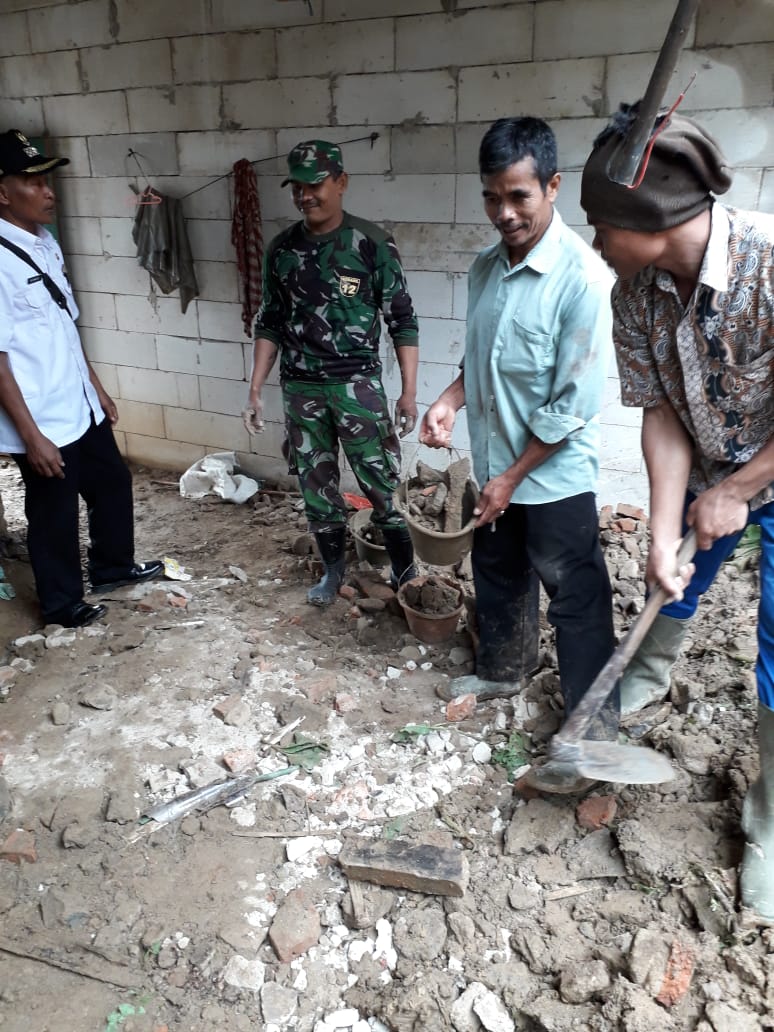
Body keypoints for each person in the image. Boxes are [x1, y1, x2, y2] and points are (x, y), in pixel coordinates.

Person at [580, 103, 774, 918]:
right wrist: (663, 533)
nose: (593, 242)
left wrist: (736, 491)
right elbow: (661, 414)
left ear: (649, 216)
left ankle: (770, 825)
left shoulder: (770, 264)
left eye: (599, 223)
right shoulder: (636, 292)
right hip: (712, 465)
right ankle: (635, 687)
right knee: (673, 579)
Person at [419, 117, 618, 778]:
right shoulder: (485, 269)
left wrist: (511, 477)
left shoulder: (582, 280)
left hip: (553, 474)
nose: (503, 213)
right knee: (499, 570)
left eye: (518, 196)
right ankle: (504, 670)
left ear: (553, 187)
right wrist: (449, 402)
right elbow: (481, 360)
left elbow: (570, 406)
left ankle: (591, 722)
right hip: (498, 460)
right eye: (491, 197)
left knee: (574, 594)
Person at [243, 140, 420, 605]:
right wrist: (256, 387)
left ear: (340, 183)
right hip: (302, 388)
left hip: (357, 387)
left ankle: (405, 572)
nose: (305, 196)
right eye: (297, 187)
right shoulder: (282, 249)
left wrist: (408, 393)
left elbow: (402, 319)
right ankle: (332, 571)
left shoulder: (372, 244)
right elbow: (270, 322)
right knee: (317, 488)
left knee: (380, 482)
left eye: (315, 184)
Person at [0, 130, 162, 628]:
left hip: (77, 402)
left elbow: (64, 324)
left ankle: (113, 568)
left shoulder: (43, 244)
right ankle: (61, 603)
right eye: (33, 181)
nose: (49, 192)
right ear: (2, 192)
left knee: (112, 481)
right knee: (54, 510)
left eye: (48, 180)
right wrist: (30, 438)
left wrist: (95, 384)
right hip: (40, 417)